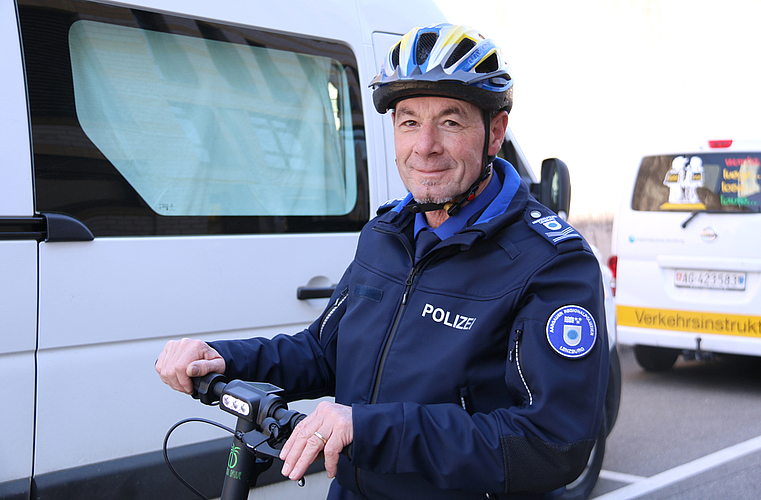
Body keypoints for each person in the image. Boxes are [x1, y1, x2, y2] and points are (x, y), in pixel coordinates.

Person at [156, 23, 609, 500]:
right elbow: (322, 352)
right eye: (409, 121)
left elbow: (551, 444)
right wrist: (223, 356)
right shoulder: (386, 233)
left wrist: (369, 429)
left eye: (450, 121)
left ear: (495, 132)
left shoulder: (552, 264)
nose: (425, 146)